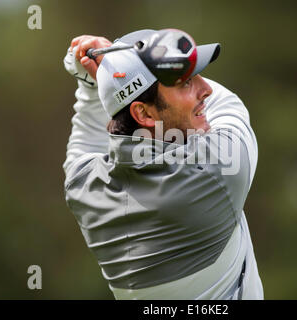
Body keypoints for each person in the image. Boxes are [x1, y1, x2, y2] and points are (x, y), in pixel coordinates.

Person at [63, 29, 264, 300]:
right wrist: (99, 76)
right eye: (185, 82)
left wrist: (103, 79)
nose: (204, 89)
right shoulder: (217, 171)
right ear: (143, 113)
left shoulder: (84, 188)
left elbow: (86, 141)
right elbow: (228, 103)